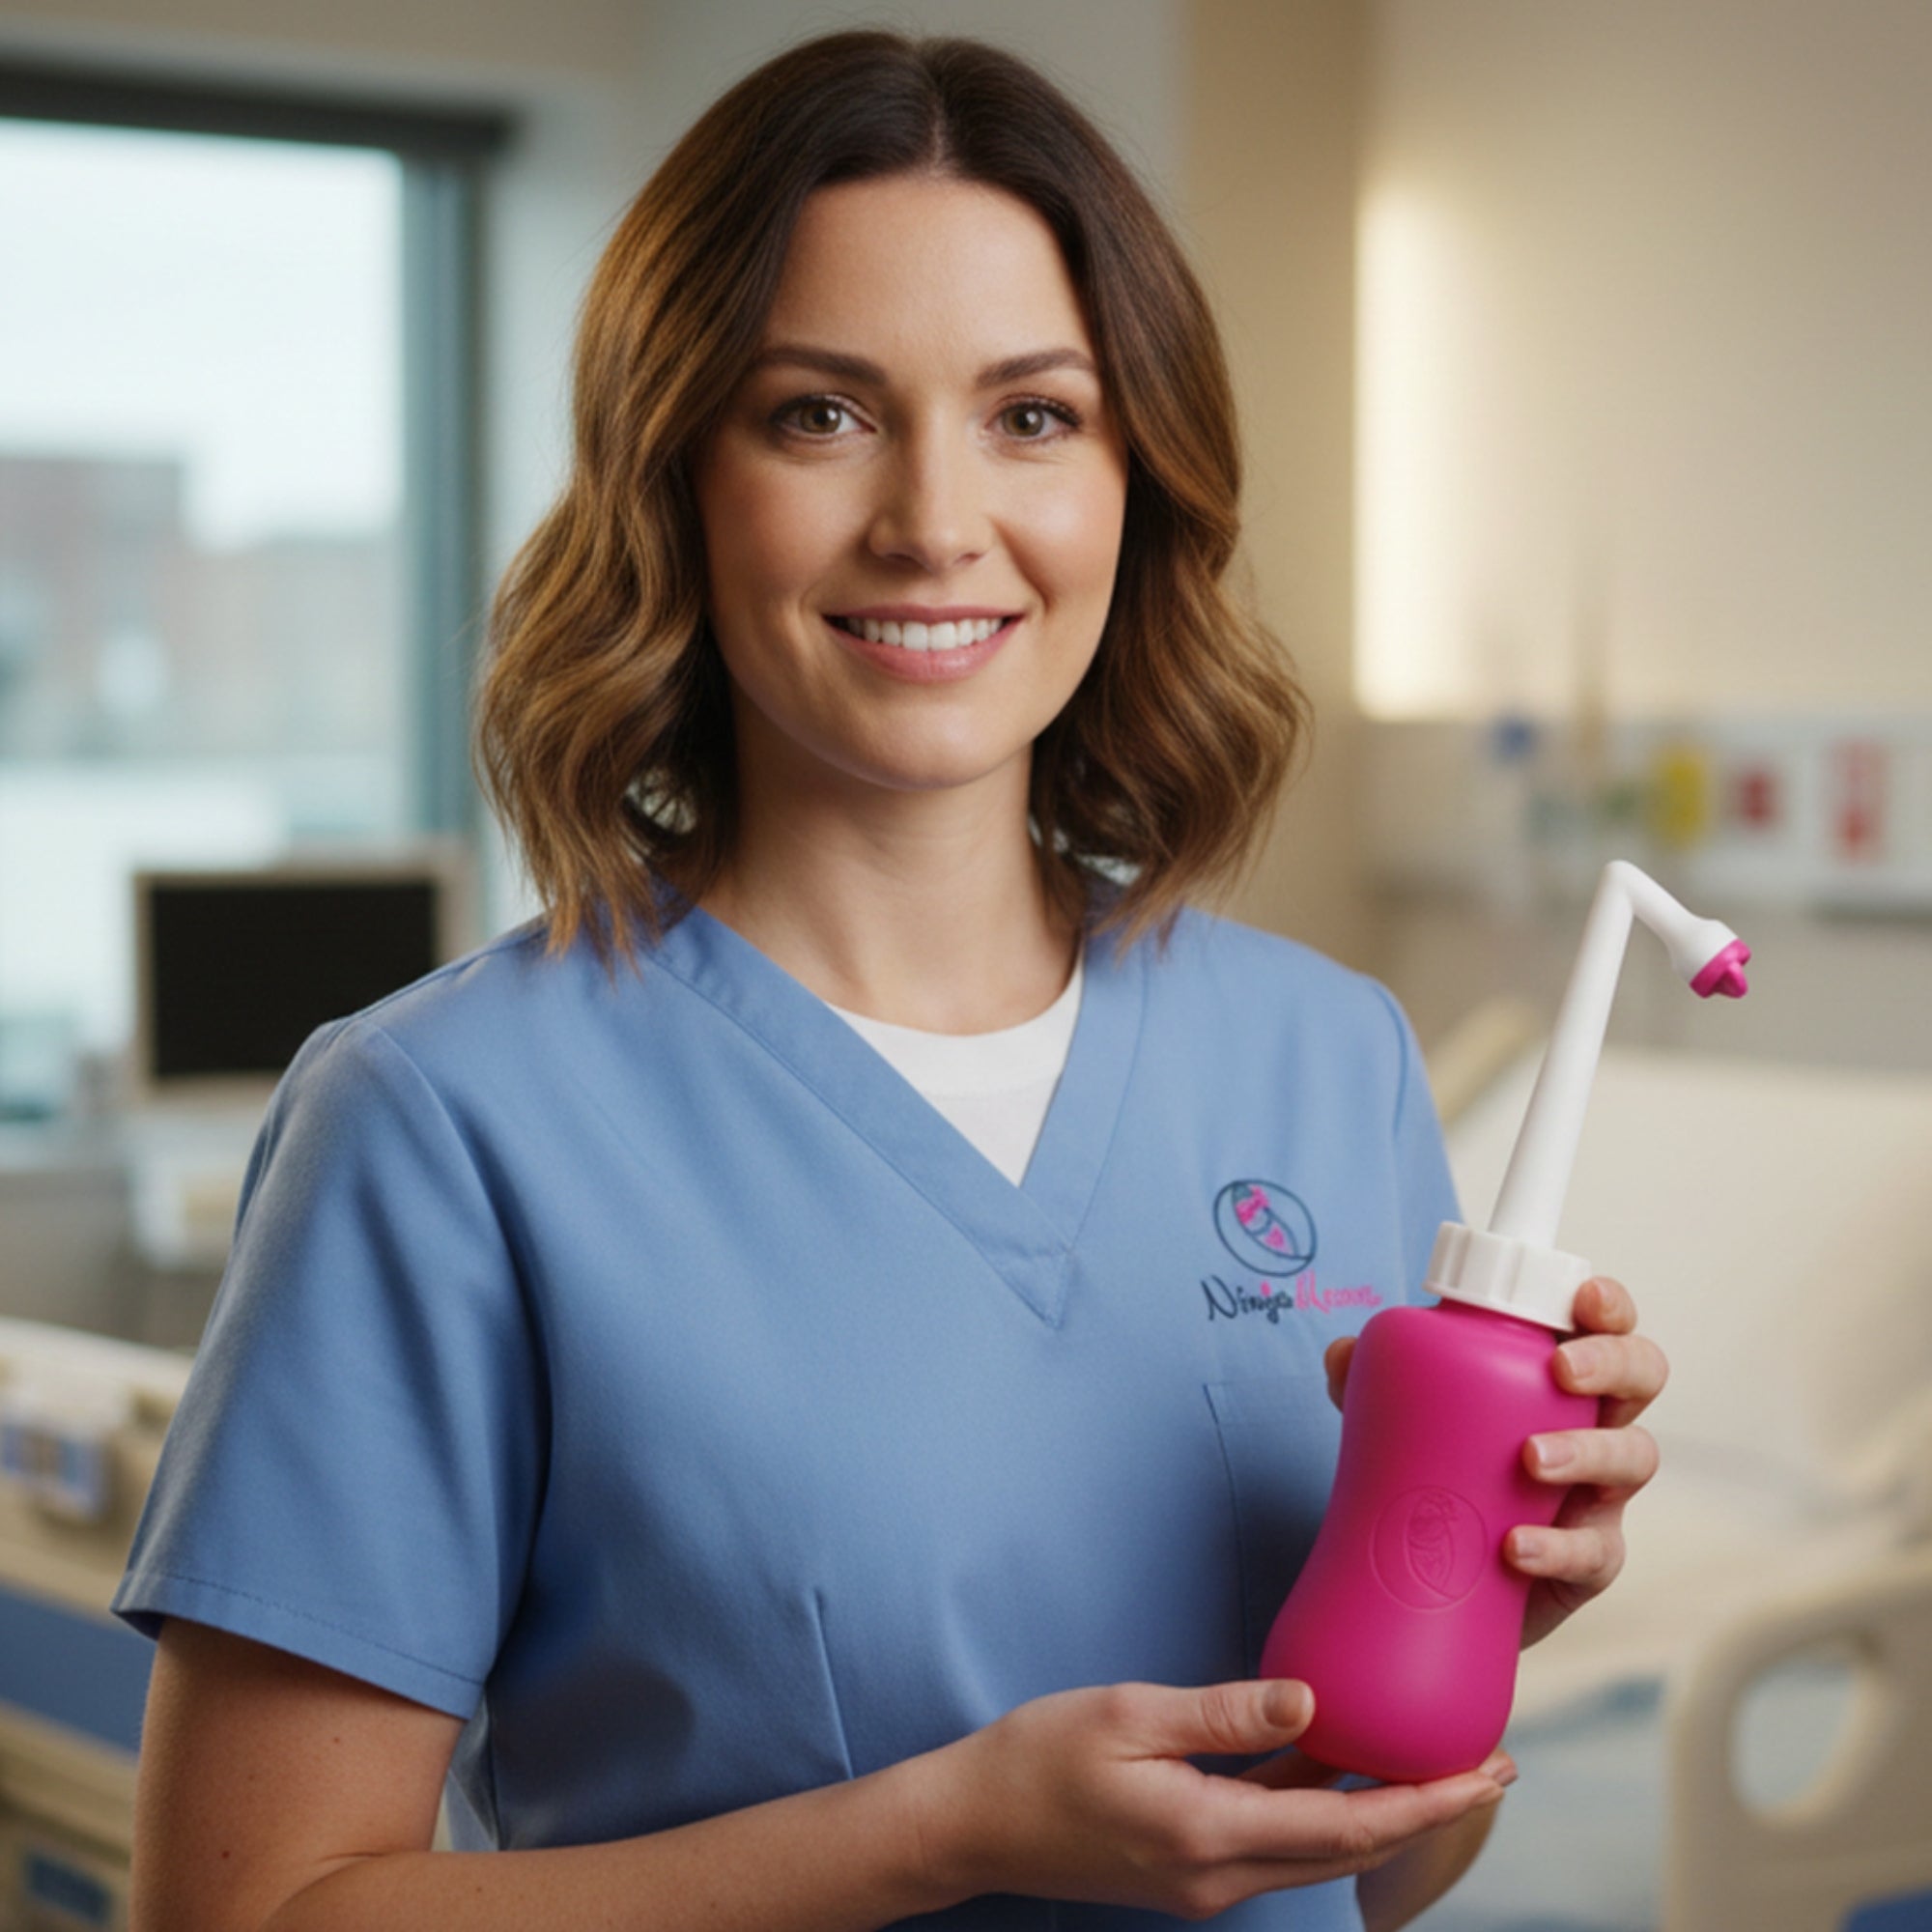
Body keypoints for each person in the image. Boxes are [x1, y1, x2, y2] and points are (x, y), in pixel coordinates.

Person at [113, 30, 1666, 1932]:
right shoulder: (443, 1124)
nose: (935, 520)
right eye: (821, 413)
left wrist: (1473, 1617)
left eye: (1035, 416)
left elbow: (1379, 1873)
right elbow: (247, 1913)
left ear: (1137, 481)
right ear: (675, 477)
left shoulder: (1324, 1054)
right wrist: (938, 1833)